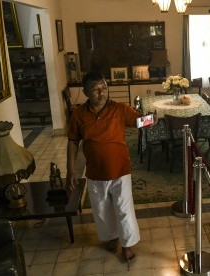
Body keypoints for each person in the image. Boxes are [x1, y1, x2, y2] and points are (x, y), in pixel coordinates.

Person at [66, 72, 145, 262]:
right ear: (85, 92)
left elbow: (138, 121)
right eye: (96, 90)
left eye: (104, 88)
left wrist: (152, 120)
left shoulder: (119, 109)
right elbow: (72, 142)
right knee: (101, 209)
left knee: (123, 208)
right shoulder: (78, 115)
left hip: (120, 169)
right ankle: (110, 238)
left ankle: (127, 246)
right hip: (95, 172)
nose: (102, 93)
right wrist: (71, 170)